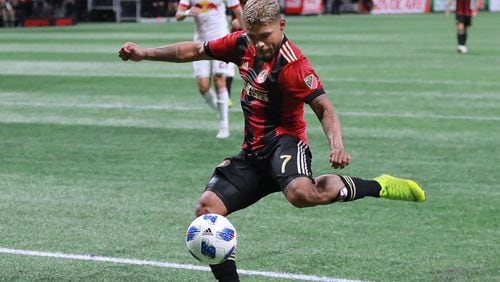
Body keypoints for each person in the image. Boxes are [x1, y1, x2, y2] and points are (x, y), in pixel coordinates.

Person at [119, 0, 426, 280]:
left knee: (301, 194)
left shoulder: (294, 66)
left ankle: (380, 185)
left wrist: (336, 144)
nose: (259, 43)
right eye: (253, 36)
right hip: (252, 153)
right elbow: (194, 50)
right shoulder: (242, 44)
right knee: (206, 211)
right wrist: (145, 53)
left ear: (282, 25)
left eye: (264, 35)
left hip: (285, 144)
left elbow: (324, 108)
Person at [175, 0, 244, 138]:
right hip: (199, 41)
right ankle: (221, 110)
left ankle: (224, 126)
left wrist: (246, 34)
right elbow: (178, 15)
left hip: (221, 39)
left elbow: (238, 11)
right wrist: (188, 12)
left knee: (219, 78)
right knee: (203, 87)